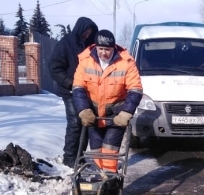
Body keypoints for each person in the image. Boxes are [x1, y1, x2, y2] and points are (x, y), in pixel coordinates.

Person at [72, 29, 143, 172]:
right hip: (94, 114)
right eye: (101, 49)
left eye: (107, 49)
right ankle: (99, 184)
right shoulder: (85, 61)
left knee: (109, 152)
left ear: (114, 48)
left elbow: (135, 89)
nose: (103, 53)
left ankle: (110, 189)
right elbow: (78, 87)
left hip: (116, 116)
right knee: (96, 152)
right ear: (95, 47)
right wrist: (84, 110)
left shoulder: (126, 62)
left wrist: (126, 112)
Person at [49, 17, 98, 168]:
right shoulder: (65, 44)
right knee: (75, 122)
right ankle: (69, 158)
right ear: (79, 29)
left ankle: (80, 155)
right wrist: (71, 83)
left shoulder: (91, 46)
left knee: (86, 122)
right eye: (85, 31)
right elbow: (54, 68)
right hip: (69, 91)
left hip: (87, 91)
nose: (87, 34)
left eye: (90, 32)